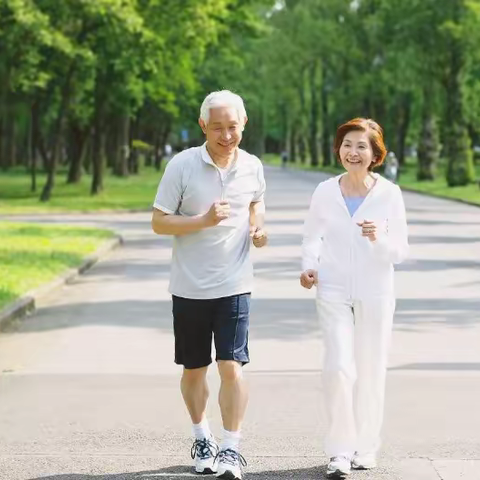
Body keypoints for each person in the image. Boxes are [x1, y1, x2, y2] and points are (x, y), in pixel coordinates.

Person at [151, 90, 267, 480]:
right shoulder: (182, 165)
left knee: (231, 366)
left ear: (243, 124)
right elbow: (159, 221)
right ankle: (202, 436)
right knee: (194, 370)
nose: (226, 134)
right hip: (189, 287)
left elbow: (256, 202)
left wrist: (258, 226)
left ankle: (231, 449)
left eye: (232, 126)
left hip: (235, 283)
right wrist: (202, 220)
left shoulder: (252, 166)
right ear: (203, 126)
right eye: (217, 127)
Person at [300, 118, 409, 478]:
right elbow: (312, 237)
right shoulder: (325, 191)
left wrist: (378, 238)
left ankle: (366, 447)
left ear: (375, 154)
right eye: (347, 144)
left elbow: (399, 253)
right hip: (331, 289)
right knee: (337, 368)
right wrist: (309, 266)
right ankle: (339, 451)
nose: (353, 152)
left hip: (376, 291)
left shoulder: (388, 194)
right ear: (339, 149)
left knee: (371, 369)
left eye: (362, 146)